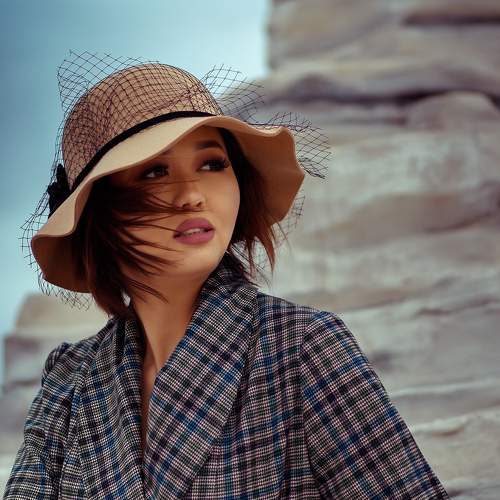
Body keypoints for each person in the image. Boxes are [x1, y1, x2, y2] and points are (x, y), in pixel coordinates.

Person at [4, 50, 450, 499]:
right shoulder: (70, 380)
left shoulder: (303, 346)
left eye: (213, 164)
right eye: (155, 172)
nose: (192, 195)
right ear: (99, 211)